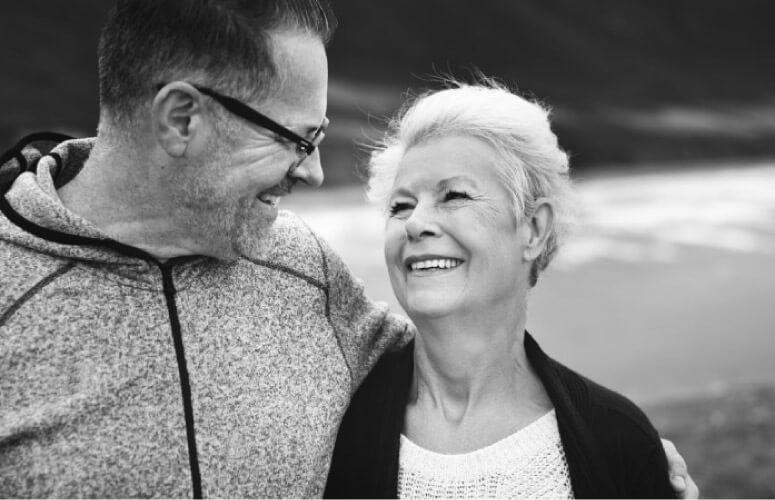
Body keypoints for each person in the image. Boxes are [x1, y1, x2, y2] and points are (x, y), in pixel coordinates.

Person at [0, 1, 696, 498]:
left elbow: (451, 346)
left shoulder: (303, 268)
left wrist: (607, 446)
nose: (313, 172)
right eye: (298, 139)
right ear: (182, 117)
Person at [325, 80, 697, 498]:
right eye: (401, 205)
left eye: (454, 195)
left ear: (534, 229)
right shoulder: (332, 425)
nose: (415, 223)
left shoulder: (618, 441)